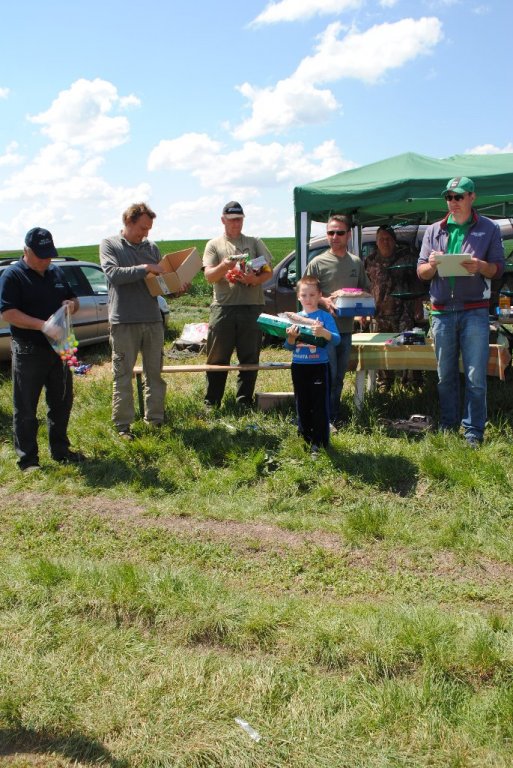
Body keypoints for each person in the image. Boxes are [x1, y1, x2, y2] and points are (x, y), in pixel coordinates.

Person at [417, 176, 505, 447]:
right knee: (445, 375)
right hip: (442, 312)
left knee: (476, 376)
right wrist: (432, 266)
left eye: (458, 196)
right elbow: (421, 272)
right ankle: (448, 424)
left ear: (472, 197)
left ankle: (473, 431)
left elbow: (498, 269)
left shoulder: (489, 228)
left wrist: (480, 266)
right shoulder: (434, 230)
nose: (453, 201)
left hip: (475, 311)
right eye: (449, 197)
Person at [0, 228, 84, 471]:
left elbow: (74, 299)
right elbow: (8, 313)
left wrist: (71, 305)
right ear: (26, 251)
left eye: (49, 254)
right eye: (41, 255)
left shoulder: (56, 272)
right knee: (26, 406)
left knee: (61, 401)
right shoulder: (13, 276)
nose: (46, 260)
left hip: (59, 349)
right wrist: (42, 326)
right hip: (29, 350)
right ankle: (28, 460)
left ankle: (61, 451)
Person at [100, 202, 170, 439]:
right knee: (122, 376)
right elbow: (113, 274)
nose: (146, 233)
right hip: (123, 322)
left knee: (155, 374)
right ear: (128, 222)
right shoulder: (110, 245)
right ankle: (123, 426)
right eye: (142, 228)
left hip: (153, 320)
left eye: (149, 229)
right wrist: (145, 267)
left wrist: (175, 287)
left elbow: (159, 284)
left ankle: (155, 420)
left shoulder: (152, 247)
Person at [203, 201, 272, 407]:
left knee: (250, 357)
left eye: (239, 219)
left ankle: (244, 401)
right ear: (223, 220)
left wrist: (253, 279)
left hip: (252, 307)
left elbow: (268, 271)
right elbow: (209, 276)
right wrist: (225, 266)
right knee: (217, 357)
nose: (236, 223)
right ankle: (212, 402)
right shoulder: (214, 245)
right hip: (223, 307)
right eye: (232, 220)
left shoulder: (254, 242)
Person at [304, 214, 370, 426]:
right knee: (328, 375)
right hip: (322, 330)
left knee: (339, 376)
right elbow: (304, 294)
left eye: (339, 232)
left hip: (346, 329)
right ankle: (322, 417)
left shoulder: (356, 263)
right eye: (330, 232)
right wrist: (323, 300)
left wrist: (362, 308)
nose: (334, 236)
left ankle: (333, 414)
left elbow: (365, 290)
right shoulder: (317, 263)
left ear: (348, 235)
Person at [364, 225, 424, 389]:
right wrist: (363, 311)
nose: (385, 242)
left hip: (404, 312)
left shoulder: (407, 257)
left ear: (394, 241)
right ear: (376, 242)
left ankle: (413, 382)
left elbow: (418, 283)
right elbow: (365, 287)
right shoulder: (369, 261)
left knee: (410, 346)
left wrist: (418, 305)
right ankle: (385, 382)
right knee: (382, 349)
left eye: (388, 238)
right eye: (382, 239)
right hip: (379, 314)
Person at [284, 276, 340, 452]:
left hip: (319, 366)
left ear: (320, 295)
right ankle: (305, 438)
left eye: (312, 295)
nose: (308, 299)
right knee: (302, 403)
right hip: (299, 366)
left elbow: (336, 340)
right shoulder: (294, 318)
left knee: (319, 405)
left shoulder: (324, 317)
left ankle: (320, 443)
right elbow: (288, 346)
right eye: (304, 295)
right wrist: (291, 337)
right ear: (298, 297)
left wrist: (324, 333)